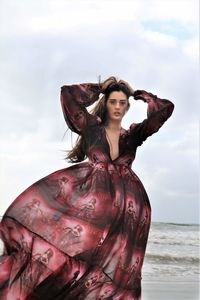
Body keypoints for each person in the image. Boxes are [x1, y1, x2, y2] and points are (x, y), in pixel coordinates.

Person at [0, 76, 174, 299]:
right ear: (106, 102)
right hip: (94, 207)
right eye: (113, 101)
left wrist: (137, 93)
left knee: (114, 267)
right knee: (83, 256)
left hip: (125, 216)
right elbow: (68, 94)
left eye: (122, 103)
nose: (118, 107)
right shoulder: (92, 128)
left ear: (128, 106)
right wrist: (99, 88)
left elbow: (165, 109)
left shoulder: (134, 136)